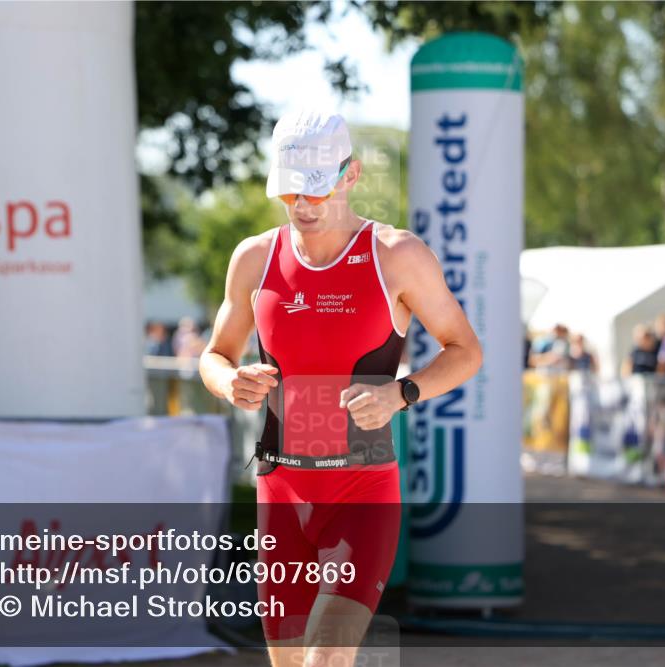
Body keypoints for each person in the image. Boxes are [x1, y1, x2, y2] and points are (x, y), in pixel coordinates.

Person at [199, 109, 482, 667]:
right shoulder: (254, 258)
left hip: (362, 492)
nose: (302, 207)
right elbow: (214, 356)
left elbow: (465, 350)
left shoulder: (397, 255)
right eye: (289, 194)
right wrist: (232, 382)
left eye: (315, 191)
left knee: (324, 659)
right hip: (280, 492)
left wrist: (402, 394)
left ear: (349, 176)